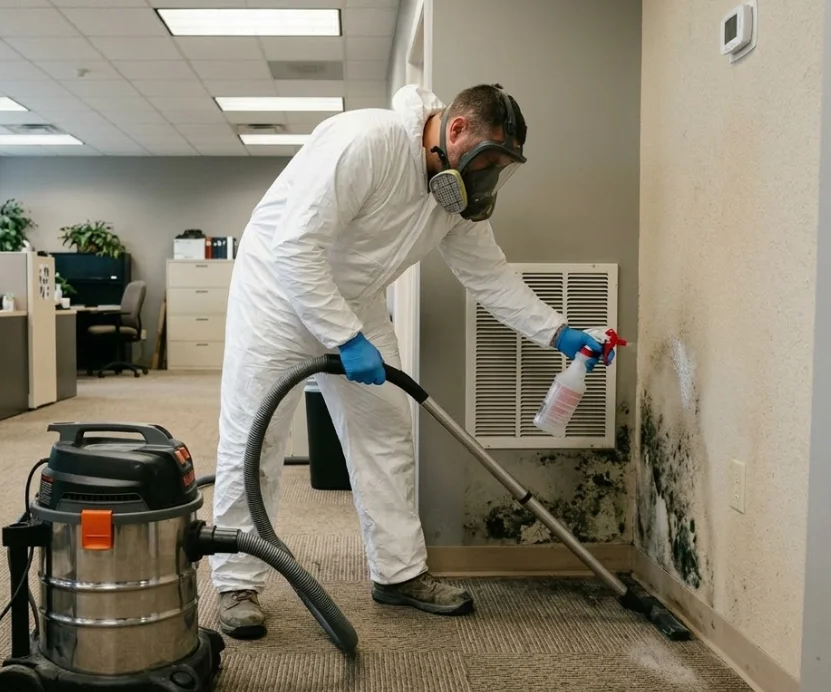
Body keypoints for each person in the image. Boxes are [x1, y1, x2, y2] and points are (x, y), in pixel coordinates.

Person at [210, 83, 615, 639]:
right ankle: (237, 581)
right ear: (455, 131)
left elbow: (489, 277)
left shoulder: (456, 198)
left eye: (500, 166)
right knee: (255, 436)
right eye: (484, 160)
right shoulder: (366, 142)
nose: (487, 177)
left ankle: (398, 574)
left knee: (387, 428)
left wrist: (559, 333)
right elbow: (294, 247)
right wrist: (348, 339)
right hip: (276, 295)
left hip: (357, 299)